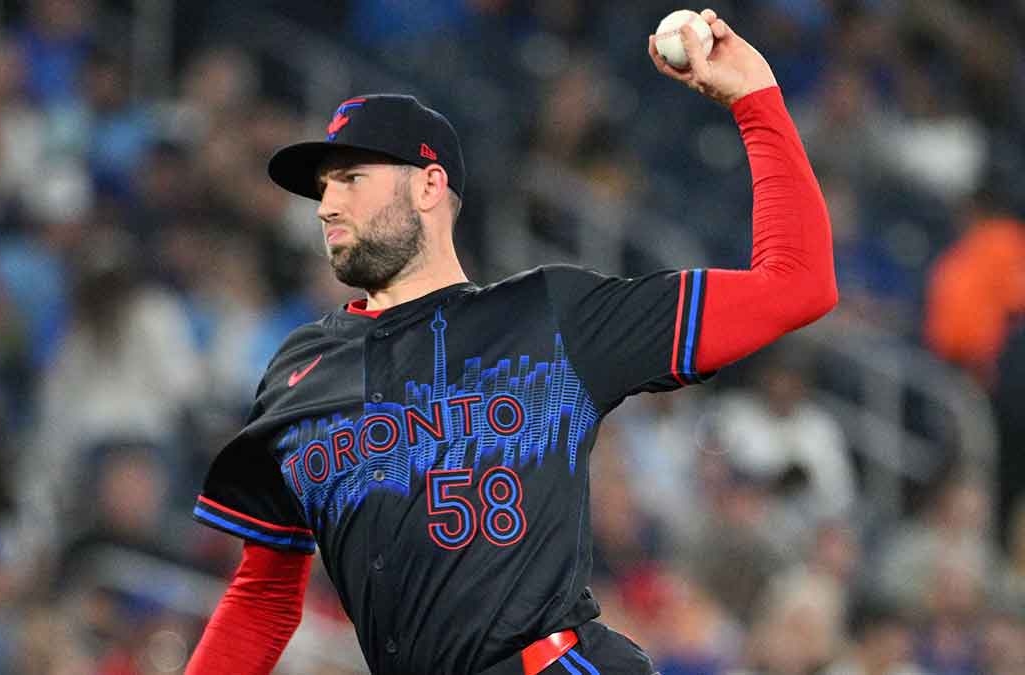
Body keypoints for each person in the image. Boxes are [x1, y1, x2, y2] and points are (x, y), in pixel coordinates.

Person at [186, 9, 837, 675]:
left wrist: (755, 98)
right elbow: (263, 595)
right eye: (323, 188)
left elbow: (798, 284)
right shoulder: (299, 372)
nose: (326, 204)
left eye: (351, 178)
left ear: (429, 185)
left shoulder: (548, 315)